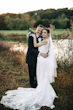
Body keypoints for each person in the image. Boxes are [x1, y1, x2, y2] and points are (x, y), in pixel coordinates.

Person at [0, 28, 58, 110]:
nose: (42, 33)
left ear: (48, 34)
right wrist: (45, 51)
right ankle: (38, 87)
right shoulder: (43, 39)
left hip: (42, 59)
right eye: (42, 32)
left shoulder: (44, 39)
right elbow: (32, 48)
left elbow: (36, 46)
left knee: (41, 75)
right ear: (37, 30)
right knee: (38, 74)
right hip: (39, 59)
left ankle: (41, 90)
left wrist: (35, 38)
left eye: (44, 32)